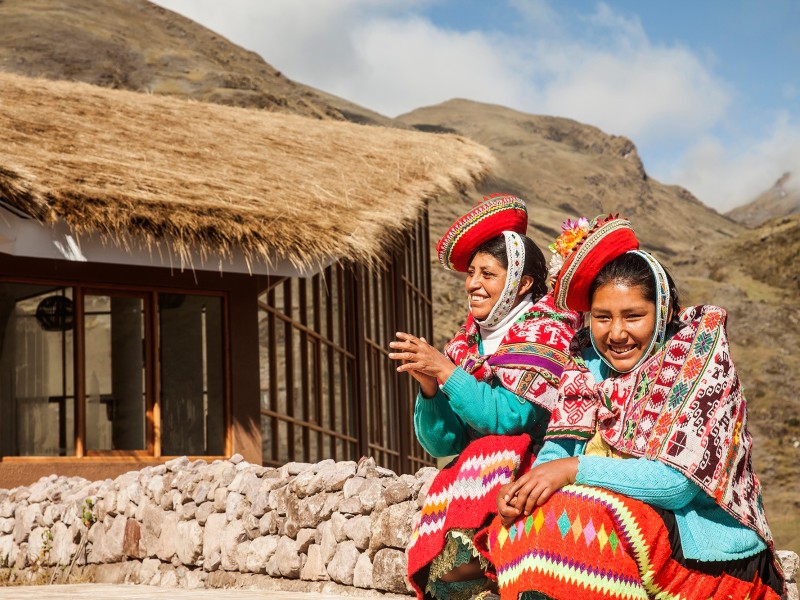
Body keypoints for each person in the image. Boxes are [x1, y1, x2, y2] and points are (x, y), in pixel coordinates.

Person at [478, 215, 785, 600]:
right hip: (632, 522)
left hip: (705, 549)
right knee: (520, 524)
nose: (617, 333)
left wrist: (573, 470)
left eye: (633, 316)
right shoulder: (586, 364)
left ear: (663, 312)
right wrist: (528, 490)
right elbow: (560, 448)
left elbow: (676, 483)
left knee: (584, 518)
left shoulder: (698, 363)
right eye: (603, 318)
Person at [388, 194, 581, 600]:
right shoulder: (465, 343)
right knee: (446, 584)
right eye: (472, 273)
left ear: (521, 283)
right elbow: (445, 443)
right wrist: (429, 387)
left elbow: (511, 419)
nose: (473, 284)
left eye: (488, 274)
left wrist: (445, 371)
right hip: (478, 480)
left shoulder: (547, 330)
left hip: (533, 472)